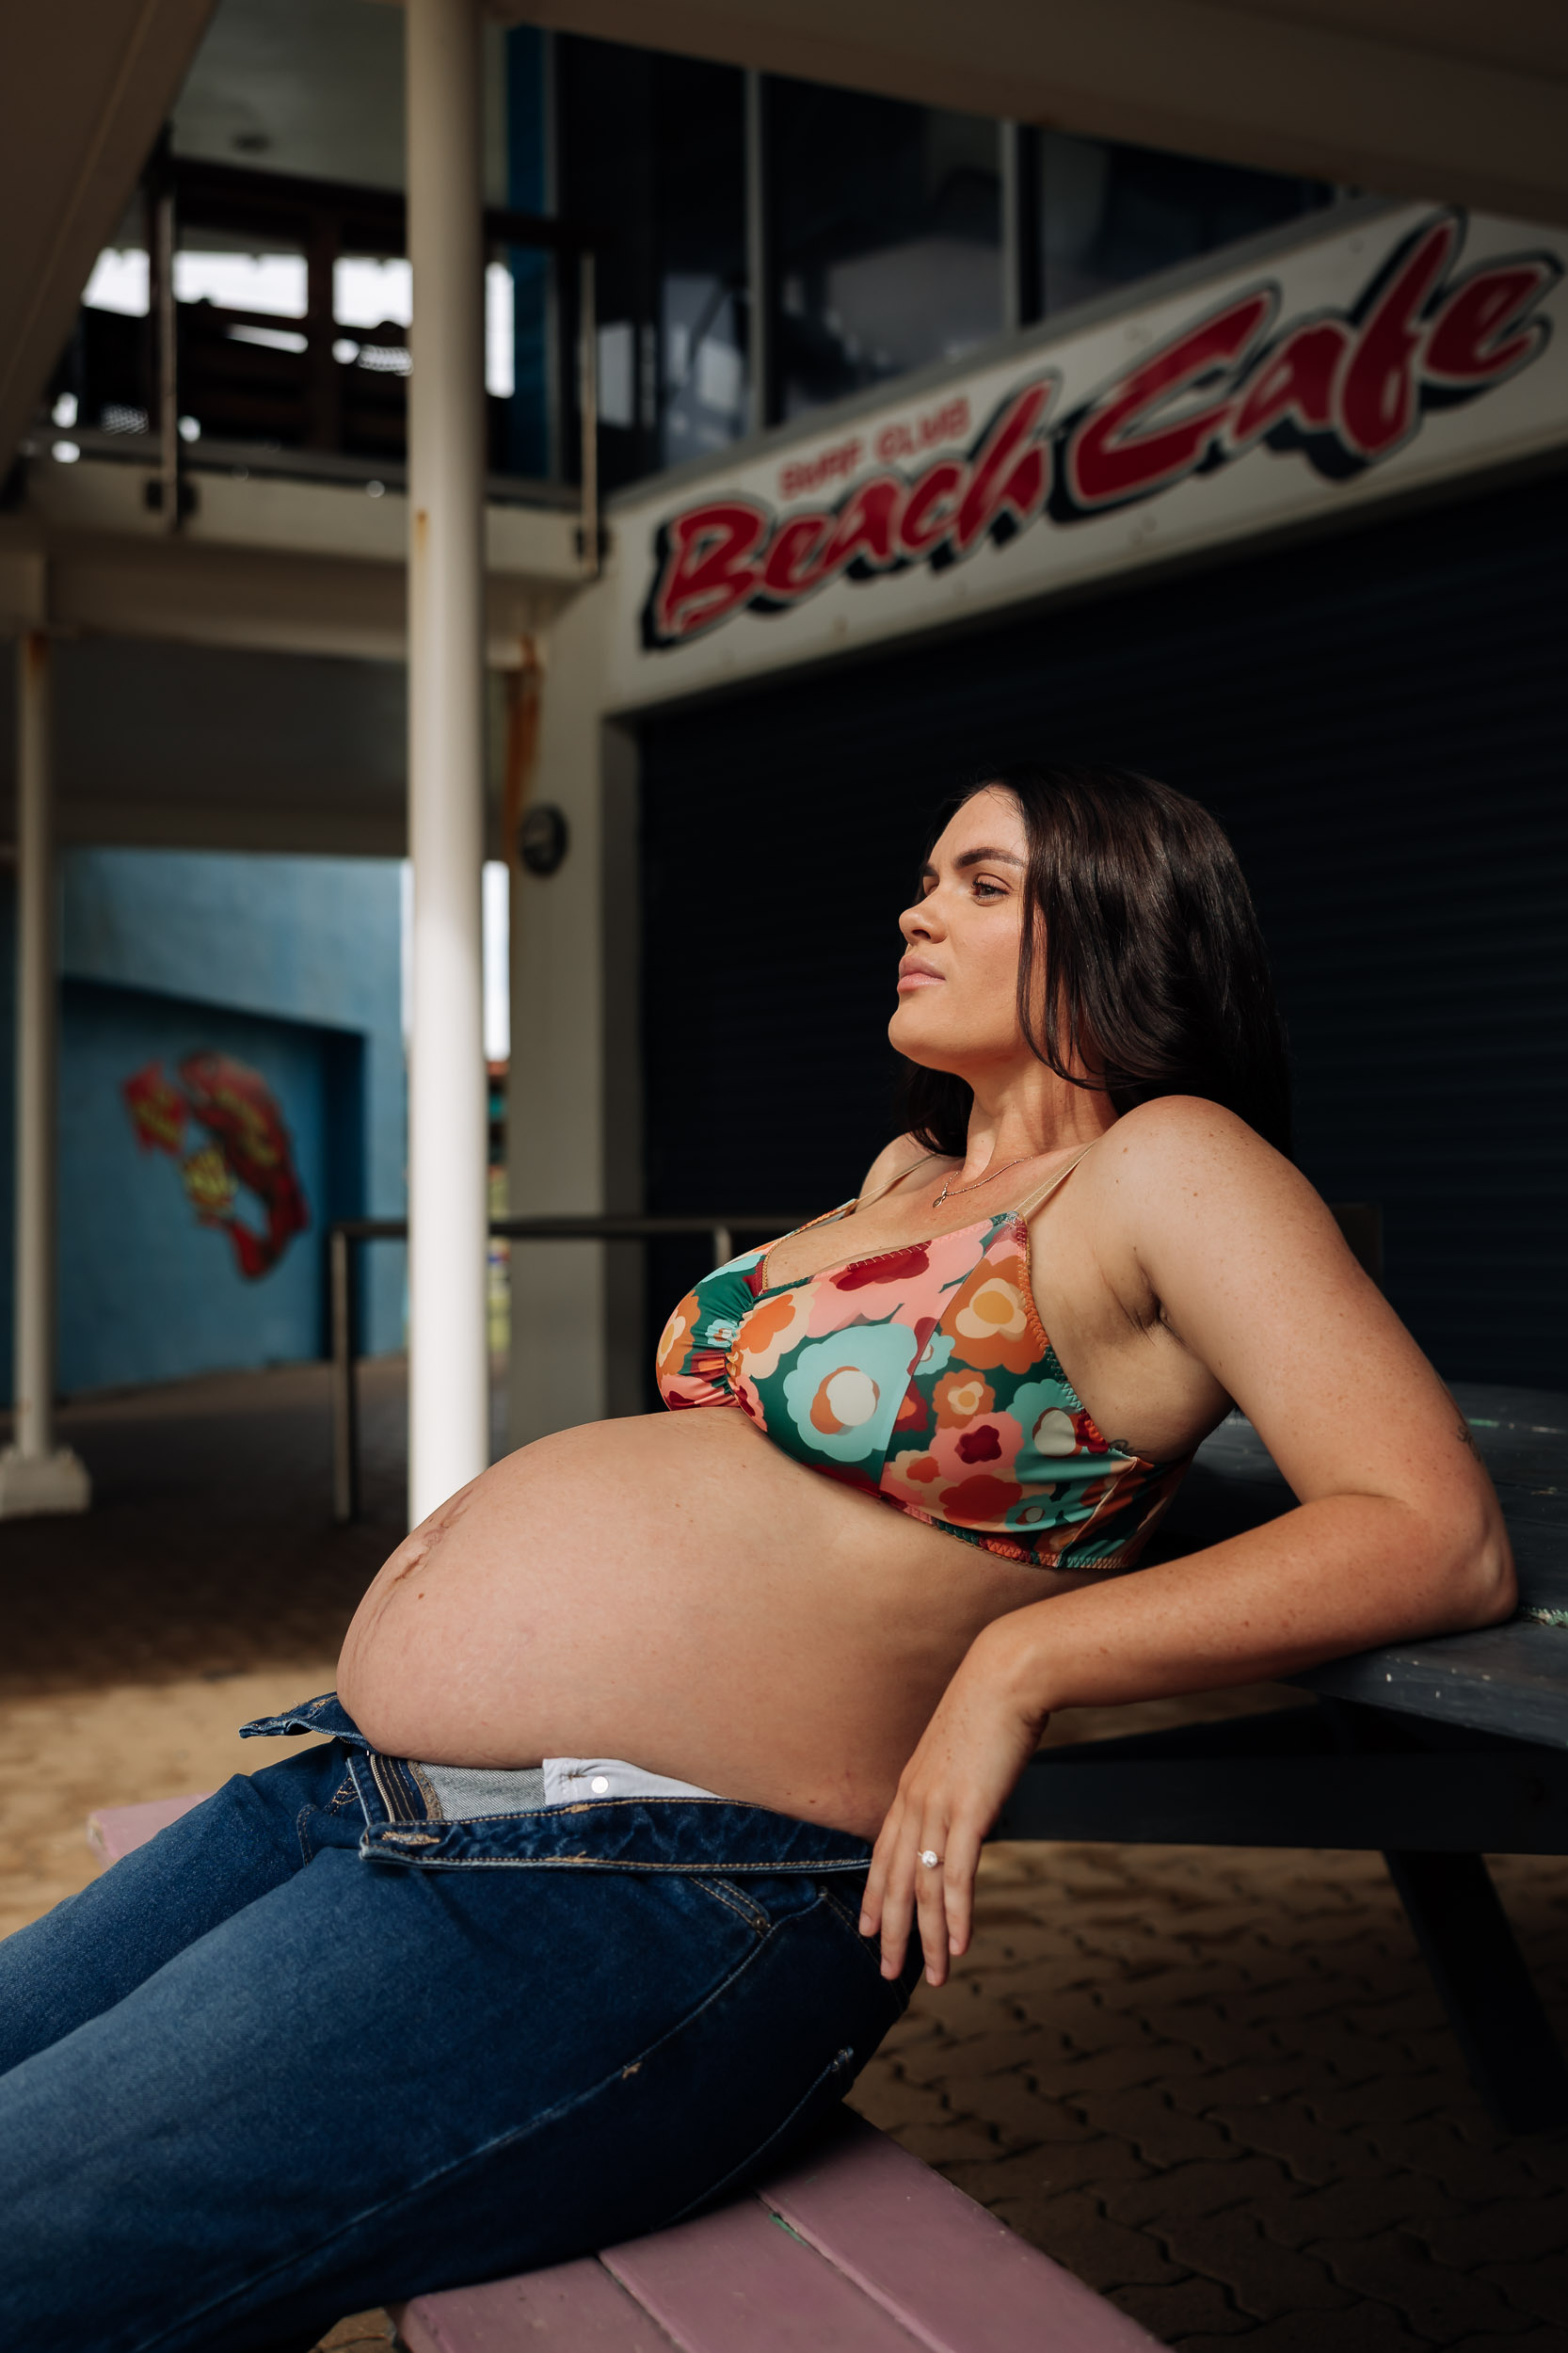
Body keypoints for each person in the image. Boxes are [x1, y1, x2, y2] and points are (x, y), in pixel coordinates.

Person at [0, 766, 1512, 2351]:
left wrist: (1024, 1662)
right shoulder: (905, 1175)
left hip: (636, 1890)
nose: (917, 909)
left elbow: (1432, 1530)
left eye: (982, 883)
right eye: (926, 876)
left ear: (1122, 923)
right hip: (355, 1790)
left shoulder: (1167, 1168)